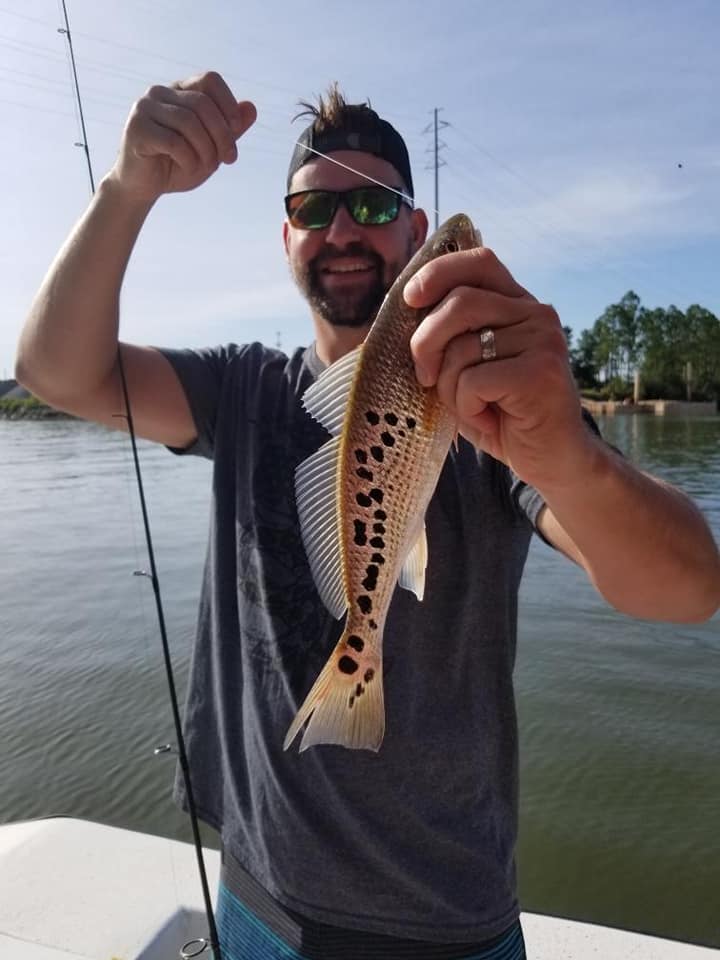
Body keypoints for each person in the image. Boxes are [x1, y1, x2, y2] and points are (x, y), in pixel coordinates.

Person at [15, 72, 720, 960]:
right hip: (253, 899)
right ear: (285, 237)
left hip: (447, 928)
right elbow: (54, 371)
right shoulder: (244, 390)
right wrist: (126, 190)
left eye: (372, 205)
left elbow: (690, 587)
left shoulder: (500, 413)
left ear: (420, 234)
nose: (341, 231)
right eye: (314, 212)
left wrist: (566, 458)